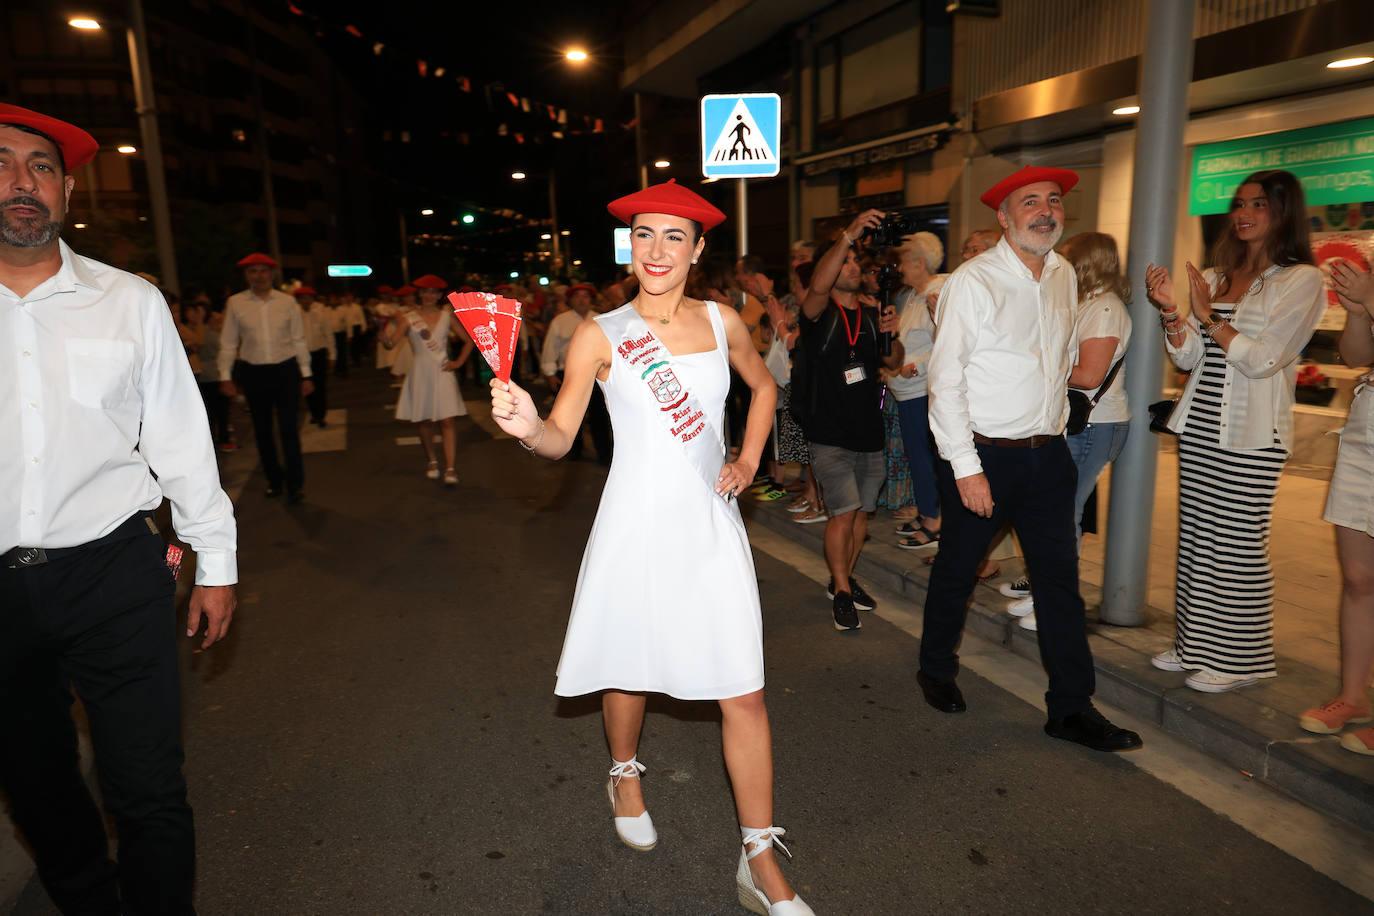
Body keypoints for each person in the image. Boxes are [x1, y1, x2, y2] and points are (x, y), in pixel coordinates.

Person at [487, 179, 814, 915]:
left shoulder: (724, 318)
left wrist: (750, 458)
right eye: (644, 235)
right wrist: (527, 426)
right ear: (627, 245)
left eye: (674, 237)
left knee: (746, 690)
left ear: (698, 250)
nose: (657, 250)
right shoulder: (600, 333)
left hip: (708, 524)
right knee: (627, 666)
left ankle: (759, 858)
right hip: (633, 523)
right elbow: (560, 438)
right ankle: (625, 771)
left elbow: (762, 387)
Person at [0, 102, 237, 914]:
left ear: (66, 190)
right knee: (32, 780)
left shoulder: (128, 301)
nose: (21, 184)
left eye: (39, 167)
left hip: (114, 570)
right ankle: (87, 897)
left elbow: (179, 438)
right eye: (1, 164)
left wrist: (216, 563)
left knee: (147, 787)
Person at [920, 165, 1141, 753]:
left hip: (1050, 456)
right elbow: (946, 381)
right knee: (958, 569)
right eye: (1029, 202)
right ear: (1004, 216)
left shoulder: (1065, 274)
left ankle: (1070, 708)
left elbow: (1062, 355)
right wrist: (966, 468)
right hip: (983, 456)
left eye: (1053, 201)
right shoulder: (975, 281)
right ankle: (936, 667)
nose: (1045, 211)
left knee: (1059, 585)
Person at [1146, 169, 1326, 693]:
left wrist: (1212, 318)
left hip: (1252, 431)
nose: (1243, 214)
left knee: (1236, 543)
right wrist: (1175, 315)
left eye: (1259, 205)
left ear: (1283, 212)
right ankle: (1195, 645)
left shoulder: (1301, 280)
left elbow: (1264, 359)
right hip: (1200, 420)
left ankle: (1240, 658)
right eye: (1239, 204)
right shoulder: (1217, 274)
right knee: (1198, 537)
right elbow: (1190, 357)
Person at [1003, 232, 1133, 632]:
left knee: (1064, 515)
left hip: (1094, 422)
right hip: (1081, 421)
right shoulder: (1089, 305)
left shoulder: (1106, 309)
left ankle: (1056, 604)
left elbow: (1090, 375)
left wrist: (1038, 366)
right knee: (1055, 513)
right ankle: (1047, 593)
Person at [797, 212, 903, 631]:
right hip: (829, 432)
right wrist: (848, 235)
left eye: (857, 263)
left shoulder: (875, 314)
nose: (854, 267)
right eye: (845, 262)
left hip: (868, 431)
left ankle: (843, 577)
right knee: (843, 513)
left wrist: (892, 335)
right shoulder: (817, 313)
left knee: (861, 516)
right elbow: (818, 285)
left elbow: (893, 362)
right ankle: (841, 590)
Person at [1303, 261, 1374, 754]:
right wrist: (1356, 312)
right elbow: (1356, 356)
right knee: (1358, 577)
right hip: (1367, 427)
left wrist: (1369, 299)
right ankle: (1353, 695)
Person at [218, 252, 314, 503]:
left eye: (263, 271)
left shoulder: (288, 302)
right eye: (253, 271)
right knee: (262, 431)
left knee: (289, 430)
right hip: (254, 373)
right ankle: (274, 480)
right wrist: (225, 376)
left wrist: (306, 374)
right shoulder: (236, 303)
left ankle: (295, 484)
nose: (258, 276)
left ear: (272, 274)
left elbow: (298, 340)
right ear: (246, 275)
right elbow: (228, 343)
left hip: (285, 370)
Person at [887, 232, 946, 551]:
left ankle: (934, 520)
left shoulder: (938, 295)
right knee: (918, 456)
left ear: (919, 263)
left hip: (923, 389)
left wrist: (916, 366)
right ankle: (927, 513)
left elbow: (945, 343)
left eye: (904, 262)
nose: (899, 268)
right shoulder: (912, 295)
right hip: (906, 389)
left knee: (925, 458)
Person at [385, 274, 471, 485]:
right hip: (420, 373)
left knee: (448, 420)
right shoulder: (408, 318)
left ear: (440, 295)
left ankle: (450, 468)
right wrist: (382, 334)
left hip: (443, 371)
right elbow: (390, 344)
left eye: (433, 292)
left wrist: (458, 362)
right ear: (419, 294)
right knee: (424, 421)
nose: (429, 295)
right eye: (425, 291)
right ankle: (432, 460)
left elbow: (469, 340)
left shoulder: (446, 316)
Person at [540, 282, 612, 464]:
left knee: (600, 415)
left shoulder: (601, 320)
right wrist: (550, 373)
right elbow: (550, 348)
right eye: (577, 296)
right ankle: (573, 450)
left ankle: (605, 453)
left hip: (598, 375)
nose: (582, 300)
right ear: (571, 300)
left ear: (591, 300)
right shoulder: (560, 321)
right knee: (570, 415)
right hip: (568, 374)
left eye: (585, 296)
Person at [295, 285, 335, 427]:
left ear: (312, 299)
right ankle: (313, 413)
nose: (306, 301)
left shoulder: (320, 313)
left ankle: (321, 415)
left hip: (319, 353)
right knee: (307, 386)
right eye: (303, 298)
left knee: (320, 386)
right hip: (302, 355)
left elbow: (329, 335)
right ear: (298, 300)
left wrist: (332, 355)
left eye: (309, 298)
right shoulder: (294, 315)